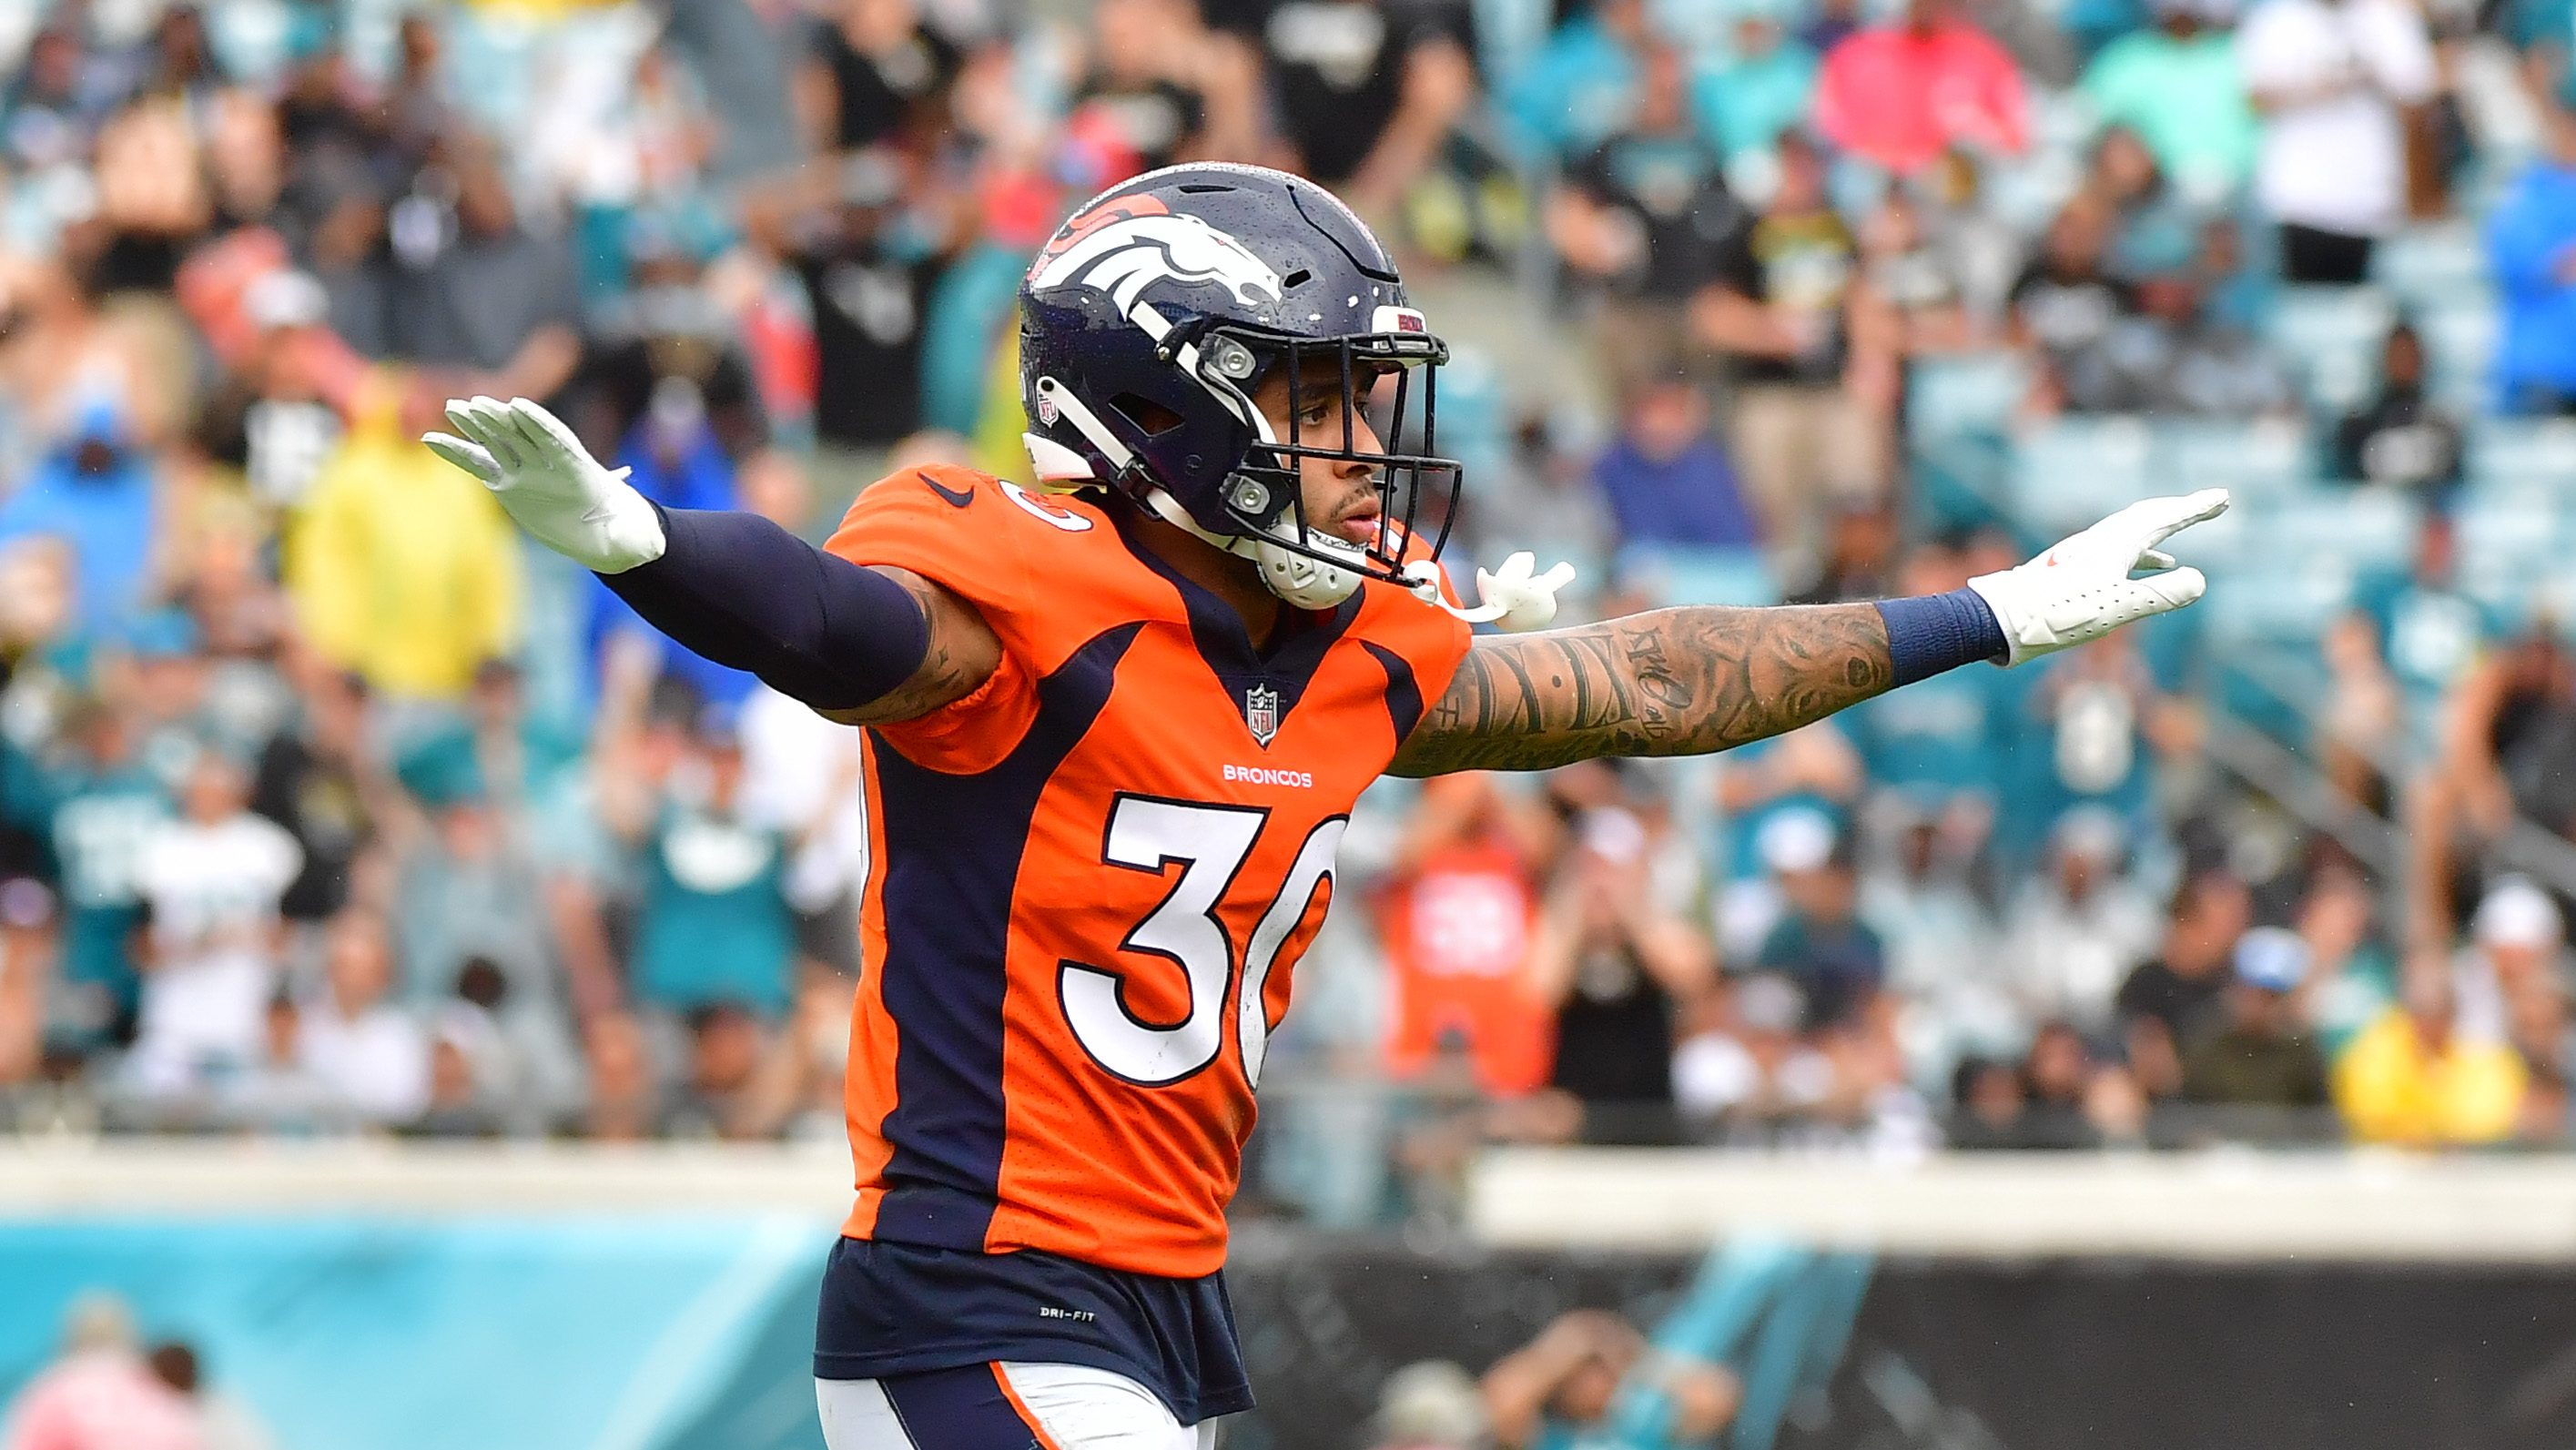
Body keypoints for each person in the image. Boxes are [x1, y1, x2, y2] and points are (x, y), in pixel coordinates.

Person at [423, 163, 2226, 1447]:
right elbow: (843, 626)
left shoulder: (1352, 646)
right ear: (1161, 406)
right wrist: (650, 548)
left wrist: (1979, 614)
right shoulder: (1023, 600)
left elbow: (1654, 681)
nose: (1362, 444)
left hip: (1157, 1301)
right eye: (1312, 397)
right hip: (976, 1292)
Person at [2236, 0, 2437, 284]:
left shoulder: (2388, 19)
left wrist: (2371, 76)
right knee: (2310, 314)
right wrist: (2326, 87)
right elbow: (2254, 98)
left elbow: (2418, 101)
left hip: (2375, 195)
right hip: (2300, 198)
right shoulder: (2275, 20)